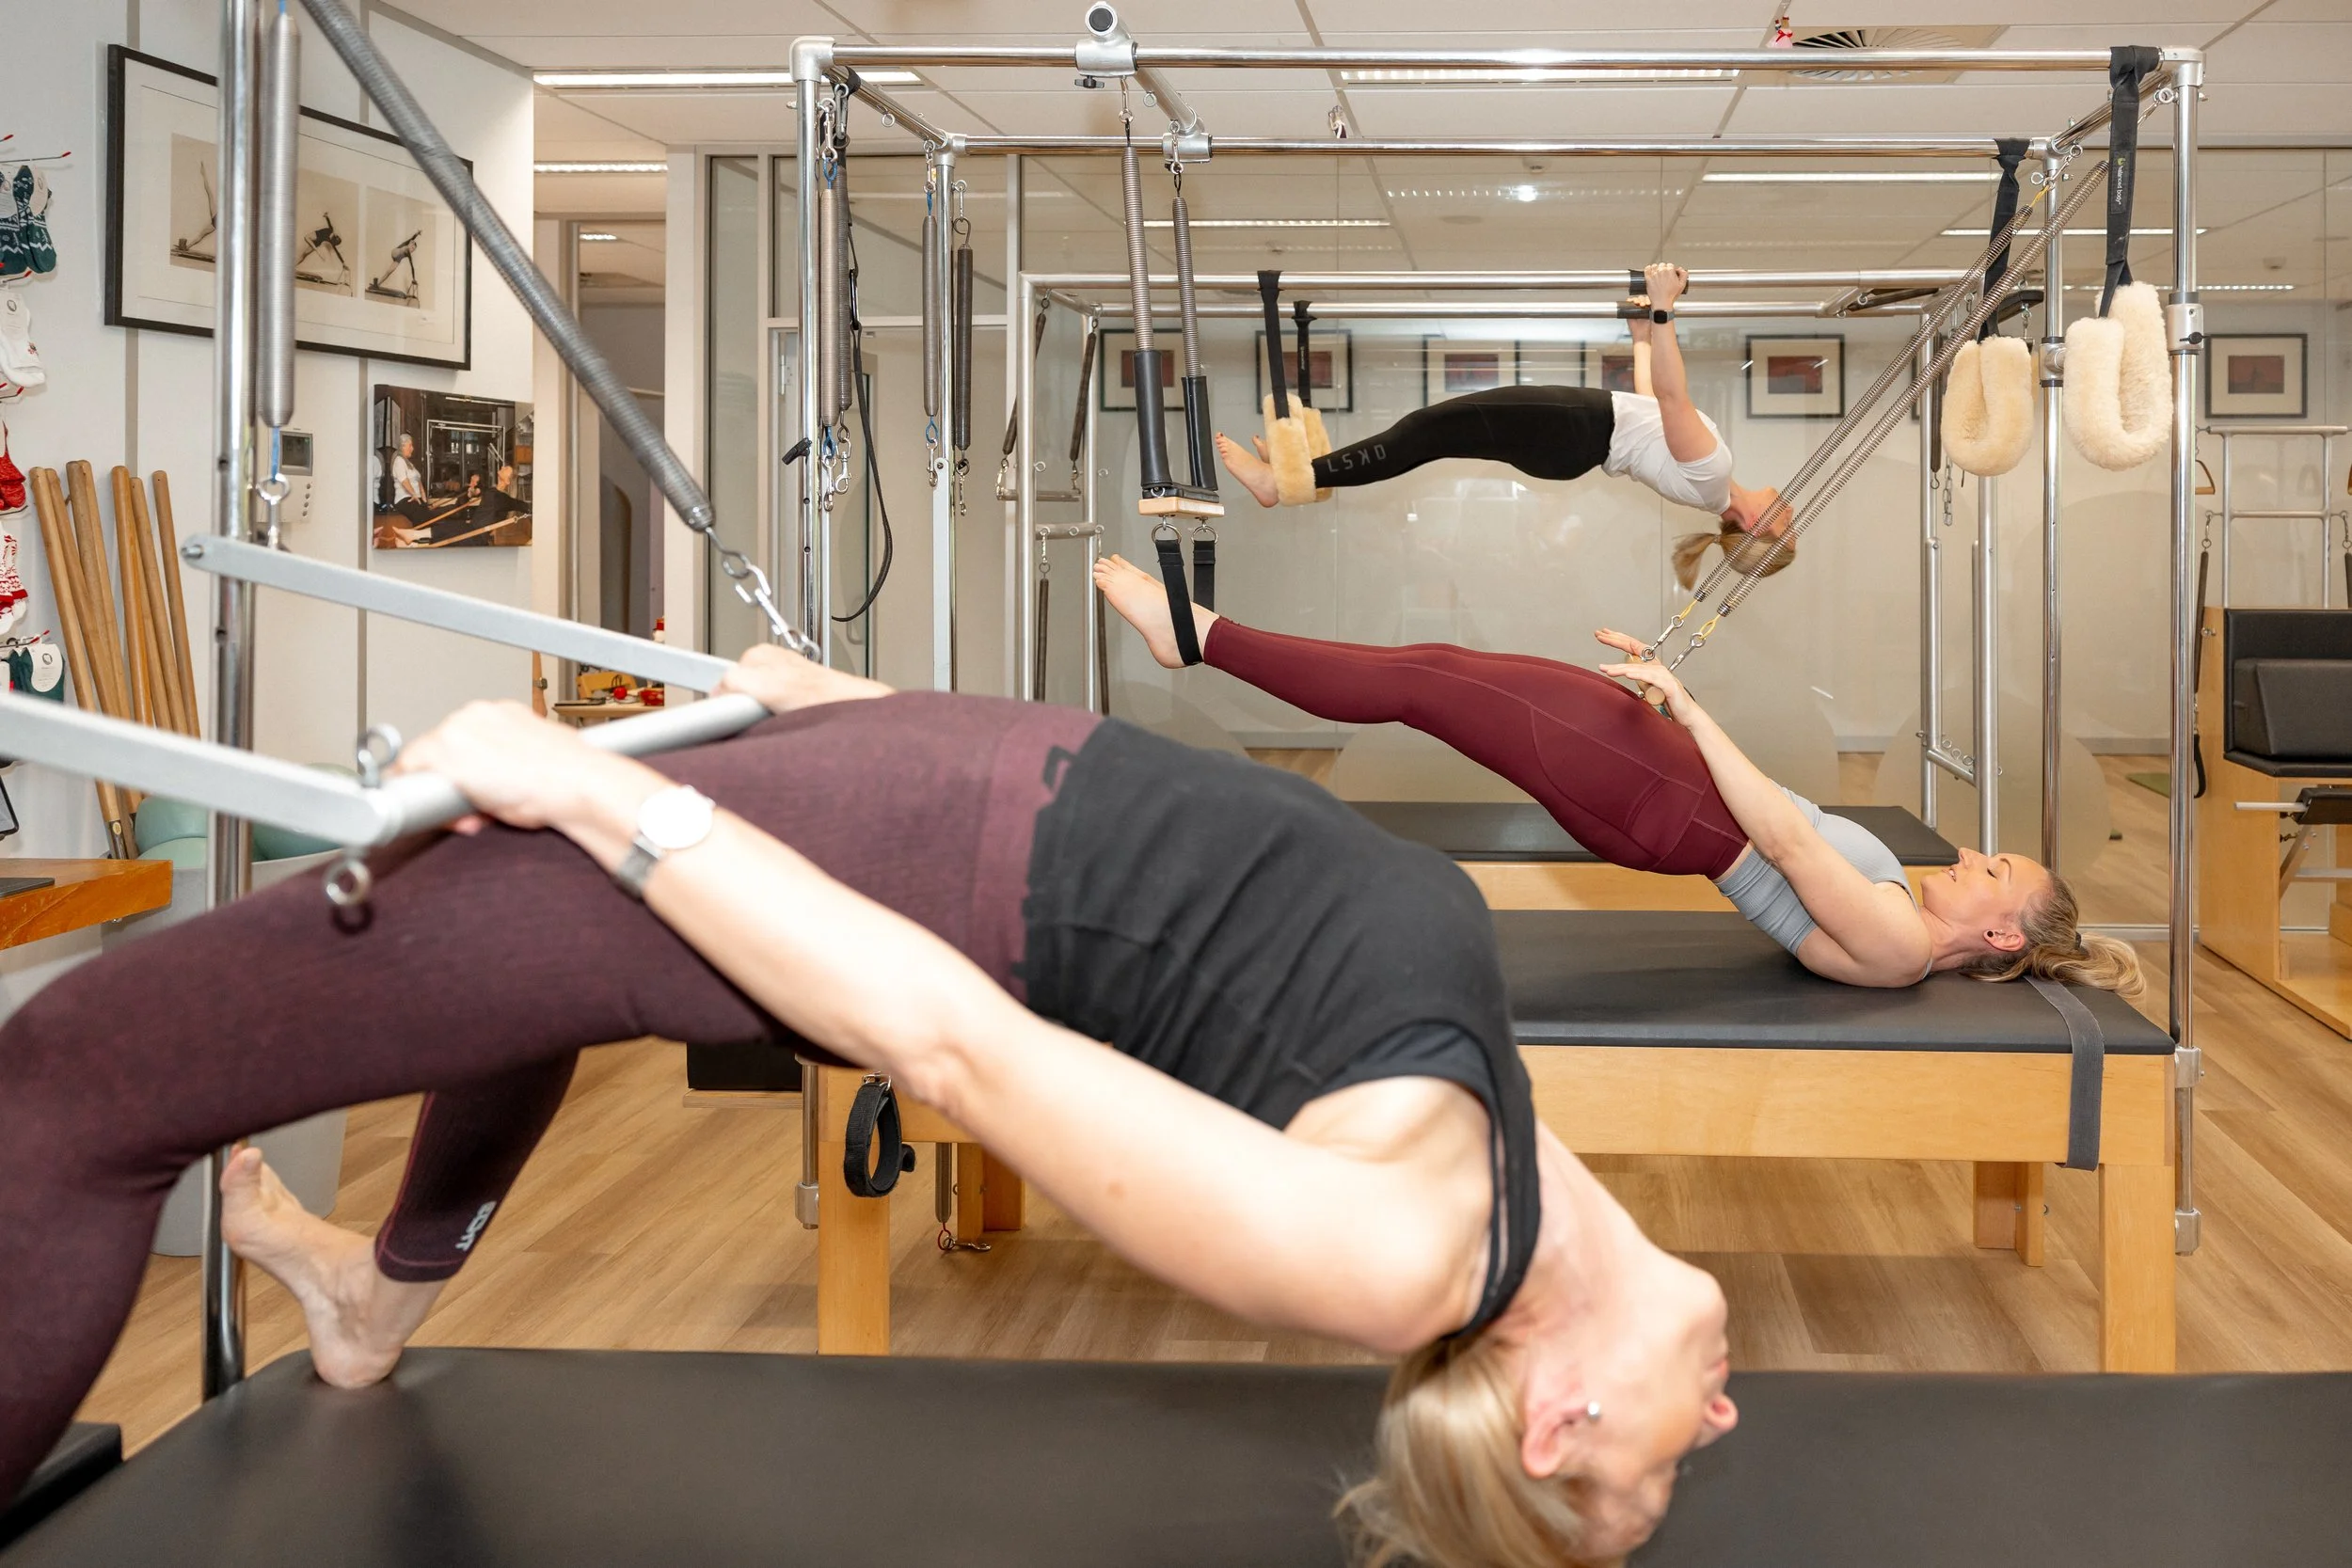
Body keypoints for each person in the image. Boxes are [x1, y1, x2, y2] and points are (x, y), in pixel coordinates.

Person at [0, 647, 1736, 1567]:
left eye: (1657, 1472)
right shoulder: (1532, 1199)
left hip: (905, 864)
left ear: (1557, 1420)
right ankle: (381, 1298)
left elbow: (956, 1046)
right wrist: (873, 709)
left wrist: (598, 793)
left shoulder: (1393, 1252)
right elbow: (1216, 865)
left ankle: (363, 1289)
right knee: (520, 980)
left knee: (75, 1082)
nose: (1721, 1427)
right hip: (941, 782)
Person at [1094, 554, 2142, 996]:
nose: (1968, 854)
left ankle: (1194, 636)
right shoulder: (1901, 922)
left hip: (1669, 807)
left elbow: (1779, 839)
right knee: (1441, 671)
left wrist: (1689, 709)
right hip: (1674, 789)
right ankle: (1196, 635)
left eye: (1993, 867)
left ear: (2001, 932)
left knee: (1425, 679)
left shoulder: (1902, 945)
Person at [1217, 264, 1792, 587]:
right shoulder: (1709, 482)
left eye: (1789, 525)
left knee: (1425, 429)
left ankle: (1285, 483)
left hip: (1576, 429)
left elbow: (1670, 394)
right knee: (1429, 434)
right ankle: (1306, 475)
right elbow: (1651, 403)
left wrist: (1665, 307)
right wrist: (1643, 336)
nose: (1794, 509)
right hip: (1577, 438)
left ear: (1757, 525)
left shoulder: (1714, 474)